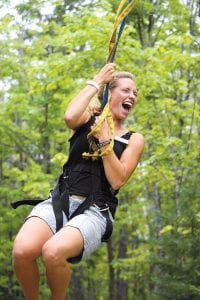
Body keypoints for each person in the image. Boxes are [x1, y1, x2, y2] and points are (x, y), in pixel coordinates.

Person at [12, 63, 144, 300]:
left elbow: (117, 180)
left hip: (95, 211)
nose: (132, 96)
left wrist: (105, 140)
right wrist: (97, 80)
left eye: (135, 93)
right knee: (22, 251)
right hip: (60, 201)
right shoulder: (86, 119)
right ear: (109, 94)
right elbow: (69, 115)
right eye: (126, 90)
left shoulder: (134, 139)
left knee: (52, 252)